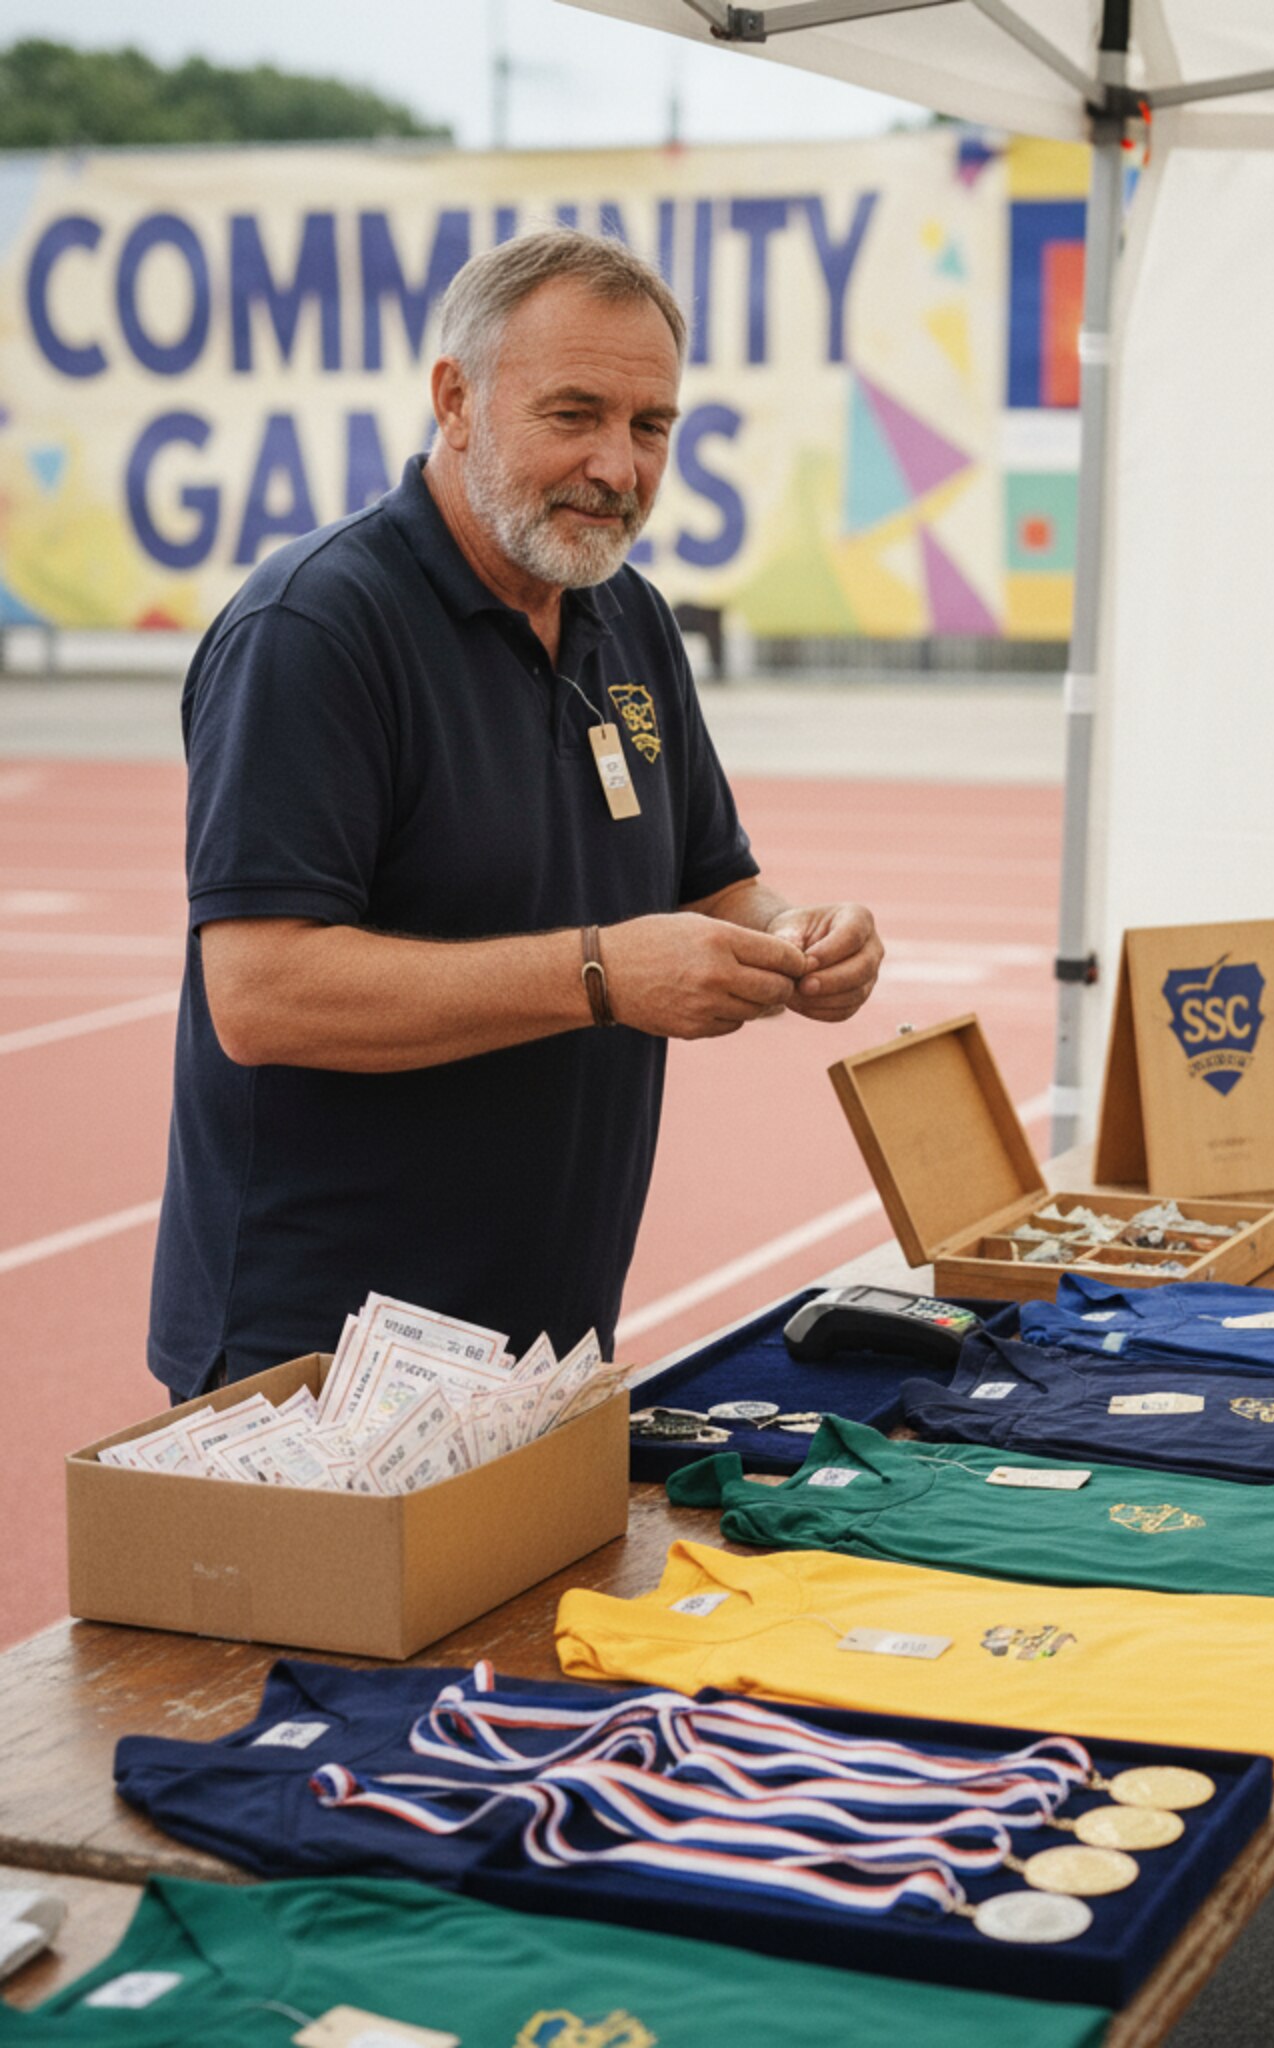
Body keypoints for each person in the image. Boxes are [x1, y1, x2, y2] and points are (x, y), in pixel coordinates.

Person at [147, 228, 883, 1398]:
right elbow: (261, 993)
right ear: (455, 399)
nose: (617, 465)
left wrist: (801, 933)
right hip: (322, 1363)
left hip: (547, 1341)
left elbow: (712, 876)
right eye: (574, 413)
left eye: (651, 427)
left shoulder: (627, 614)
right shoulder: (314, 630)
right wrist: (600, 974)